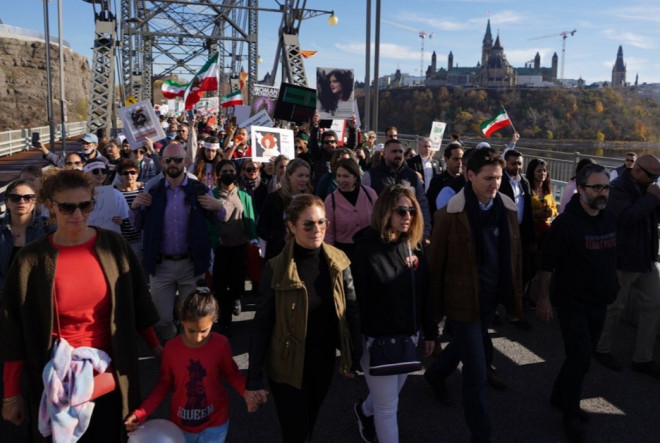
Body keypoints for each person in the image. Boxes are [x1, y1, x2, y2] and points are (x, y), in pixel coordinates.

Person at [0, 169, 161, 442]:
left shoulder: (115, 247)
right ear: (50, 206)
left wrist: (160, 350)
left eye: (85, 205)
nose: (78, 214)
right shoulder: (31, 260)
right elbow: (13, 328)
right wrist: (11, 393)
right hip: (56, 380)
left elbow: (139, 306)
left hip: (110, 375)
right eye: (67, 207)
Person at [246, 194, 361, 443]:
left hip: (322, 361)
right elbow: (262, 323)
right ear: (291, 226)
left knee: (309, 423)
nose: (316, 229)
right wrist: (253, 377)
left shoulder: (339, 262)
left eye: (321, 223)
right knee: (295, 432)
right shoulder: (276, 268)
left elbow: (351, 310)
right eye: (308, 224)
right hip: (285, 366)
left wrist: (354, 354)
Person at [426, 148, 523, 443]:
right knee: (477, 372)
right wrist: (434, 312)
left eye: (498, 177)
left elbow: (513, 258)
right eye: (488, 178)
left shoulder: (506, 209)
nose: (495, 183)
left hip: (491, 297)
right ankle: (481, 435)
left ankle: (434, 375)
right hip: (462, 300)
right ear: (470, 176)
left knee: (466, 347)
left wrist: (513, 298)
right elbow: (436, 266)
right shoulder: (450, 214)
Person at [535, 164, 618, 443]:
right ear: (580, 189)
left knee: (580, 357)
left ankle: (559, 397)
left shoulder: (608, 219)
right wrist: (544, 299)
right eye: (596, 187)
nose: (602, 193)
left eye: (605, 187)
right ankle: (570, 414)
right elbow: (547, 266)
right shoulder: (565, 225)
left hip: (599, 301)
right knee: (581, 358)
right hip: (572, 303)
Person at [351, 185, 437, 443]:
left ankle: (363, 410)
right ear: (385, 212)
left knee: (388, 395)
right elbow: (354, 304)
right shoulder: (365, 251)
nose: (407, 216)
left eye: (411, 210)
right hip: (377, 339)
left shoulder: (414, 247)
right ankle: (371, 416)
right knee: (388, 408)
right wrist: (353, 348)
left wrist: (429, 330)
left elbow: (425, 292)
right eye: (401, 210)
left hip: (408, 335)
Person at [124, 280, 246, 443]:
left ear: (213, 322)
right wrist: (141, 413)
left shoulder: (221, 344)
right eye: (191, 330)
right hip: (180, 426)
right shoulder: (171, 349)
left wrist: (248, 391)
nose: (197, 337)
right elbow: (164, 384)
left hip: (215, 424)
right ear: (182, 321)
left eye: (204, 331)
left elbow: (232, 373)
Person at [130, 143, 225, 342]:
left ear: (186, 162)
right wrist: (135, 208)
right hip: (161, 265)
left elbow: (217, 220)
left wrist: (219, 207)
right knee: (162, 319)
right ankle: (172, 347)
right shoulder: (153, 189)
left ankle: (185, 354)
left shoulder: (199, 189)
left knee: (189, 318)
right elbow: (137, 225)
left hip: (191, 265)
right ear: (162, 162)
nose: (173, 164)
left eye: (178, 160)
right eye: (168, 160)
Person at [594, 154, 660, 378]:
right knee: (614, 307)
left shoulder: (648, 188)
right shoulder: (617, 187)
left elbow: (654, 217)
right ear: (638, 170)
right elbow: (627, 218)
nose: (655, 181)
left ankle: (643, 357)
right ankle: (602, 349)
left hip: (646, 260)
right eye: (653, 177)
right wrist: (652, 198)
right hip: (623, 260)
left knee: (654, 305)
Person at [209, 160, 258, 336]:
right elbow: (209, 221)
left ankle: (236, 298)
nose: (228, 173)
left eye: (231, 170)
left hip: (239, 246)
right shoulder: (212, 195)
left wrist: (253, 239)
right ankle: (224, 321)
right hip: (221, 248)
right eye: (224, 171)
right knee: (221, 287)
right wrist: (214, 241)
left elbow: (250, 218)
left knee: (237, 284)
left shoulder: (243, 195)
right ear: (218, 174)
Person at [362, 139, 432, 240]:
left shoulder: (412, 176)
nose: (398, 155)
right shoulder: (371, 175)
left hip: (407, 233)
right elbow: (364, 205)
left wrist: (425, 230)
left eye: (400, 152)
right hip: (379, 233)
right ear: (384, 154)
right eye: (394, 151)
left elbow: (422, 203)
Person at [257, 158, 313, 260]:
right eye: (300, 175)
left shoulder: (312, 199)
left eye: (306, 176)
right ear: (288, 175)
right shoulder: (274, 198)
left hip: (304, 254)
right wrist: (280, 237)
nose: (304, 180)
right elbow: (261, 228)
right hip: (279, 254)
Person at [0, 179, 46, 298]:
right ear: (7, 201)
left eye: (28, 197)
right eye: (15, 197)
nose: (21, 201)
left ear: (35, 201)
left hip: (36, 297)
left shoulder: (47, 230)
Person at [323, 158, 378, 257]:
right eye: (338, 176)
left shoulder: (370, 194)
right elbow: (328, 234)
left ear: (355, 177)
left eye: (346, 176)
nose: (341, 180)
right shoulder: (331, 200)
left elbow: (379, 221)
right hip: (344, 253)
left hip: (369, 249)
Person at [113, 159, 144, 258]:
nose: (129, 176)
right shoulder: (113, 191)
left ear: (137, 174)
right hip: (121, 239)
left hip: (139, 238)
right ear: (120, 175)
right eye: (125, 173)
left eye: (133, 172)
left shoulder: (144, 189)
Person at [527, 158, 558, 248]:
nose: (542, 173)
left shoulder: (547, 190)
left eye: (544, 170)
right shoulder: (526, 190)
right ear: (532, 172)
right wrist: (536, 214)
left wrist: (551, 212)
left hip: (546, 230)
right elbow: (522, 212)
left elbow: (555, 208)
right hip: (532, 232)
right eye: (539, 171)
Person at [426, 141, 464, 214]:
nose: (460, 163)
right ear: (446, 160)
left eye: (461, 159)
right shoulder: (437, 181)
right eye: (456, 159)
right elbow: (429, 206)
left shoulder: (466, 182)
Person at [39, 133, 109, 168]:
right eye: (83, 143)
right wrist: (44, 150)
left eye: (87, 143)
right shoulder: (75, 157)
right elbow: (59, 161)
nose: (84, 145)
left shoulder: (103, 161)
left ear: (96, 145)